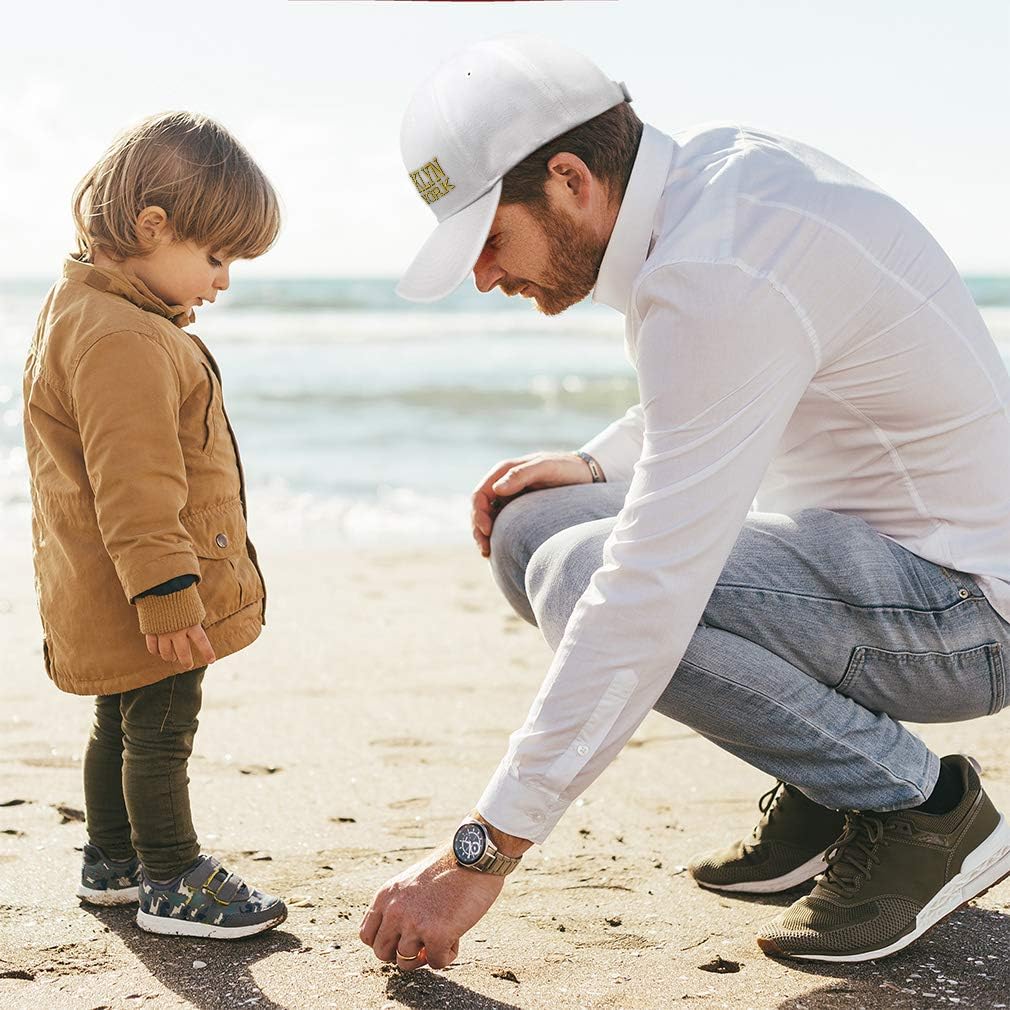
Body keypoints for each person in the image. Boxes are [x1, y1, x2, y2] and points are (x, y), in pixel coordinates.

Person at [361, 34, 1010, 967]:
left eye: (491, 239)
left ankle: (922, 807)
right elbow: (742, 369)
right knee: (532, 527)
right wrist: (596, 463)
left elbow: (648, 591)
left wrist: (481, 854)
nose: (485, 277)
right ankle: (827, 784)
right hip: (876, 568)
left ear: (571, 180)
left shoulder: (720, 268)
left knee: (590, 573)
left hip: (965, 617)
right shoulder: (715, 188)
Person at [23, 112, 288, 939]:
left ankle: (112, 861)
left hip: (102, 582)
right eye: (215, 258)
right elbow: (135, 484)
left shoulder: (83, 311)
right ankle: (170, 874)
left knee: (122, 715)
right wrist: (171, 592)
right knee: (163, 721)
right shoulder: (123, 337)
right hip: (148, 584)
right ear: (151, 227)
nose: (222, 282)